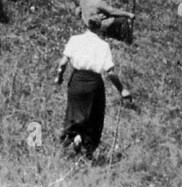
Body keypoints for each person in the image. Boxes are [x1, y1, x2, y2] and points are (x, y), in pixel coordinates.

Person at [55, 18, 132, 158]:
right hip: (93, 84)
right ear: (100, 28)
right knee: (94, 117)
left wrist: (59, 77)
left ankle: (70, 142)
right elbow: (110, 72)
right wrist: (122, 89)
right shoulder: (103, 46)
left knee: (73, 112)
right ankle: (87, 149)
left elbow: (62, 63)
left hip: (76, 81)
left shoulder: (75, 39)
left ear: (86, 26)